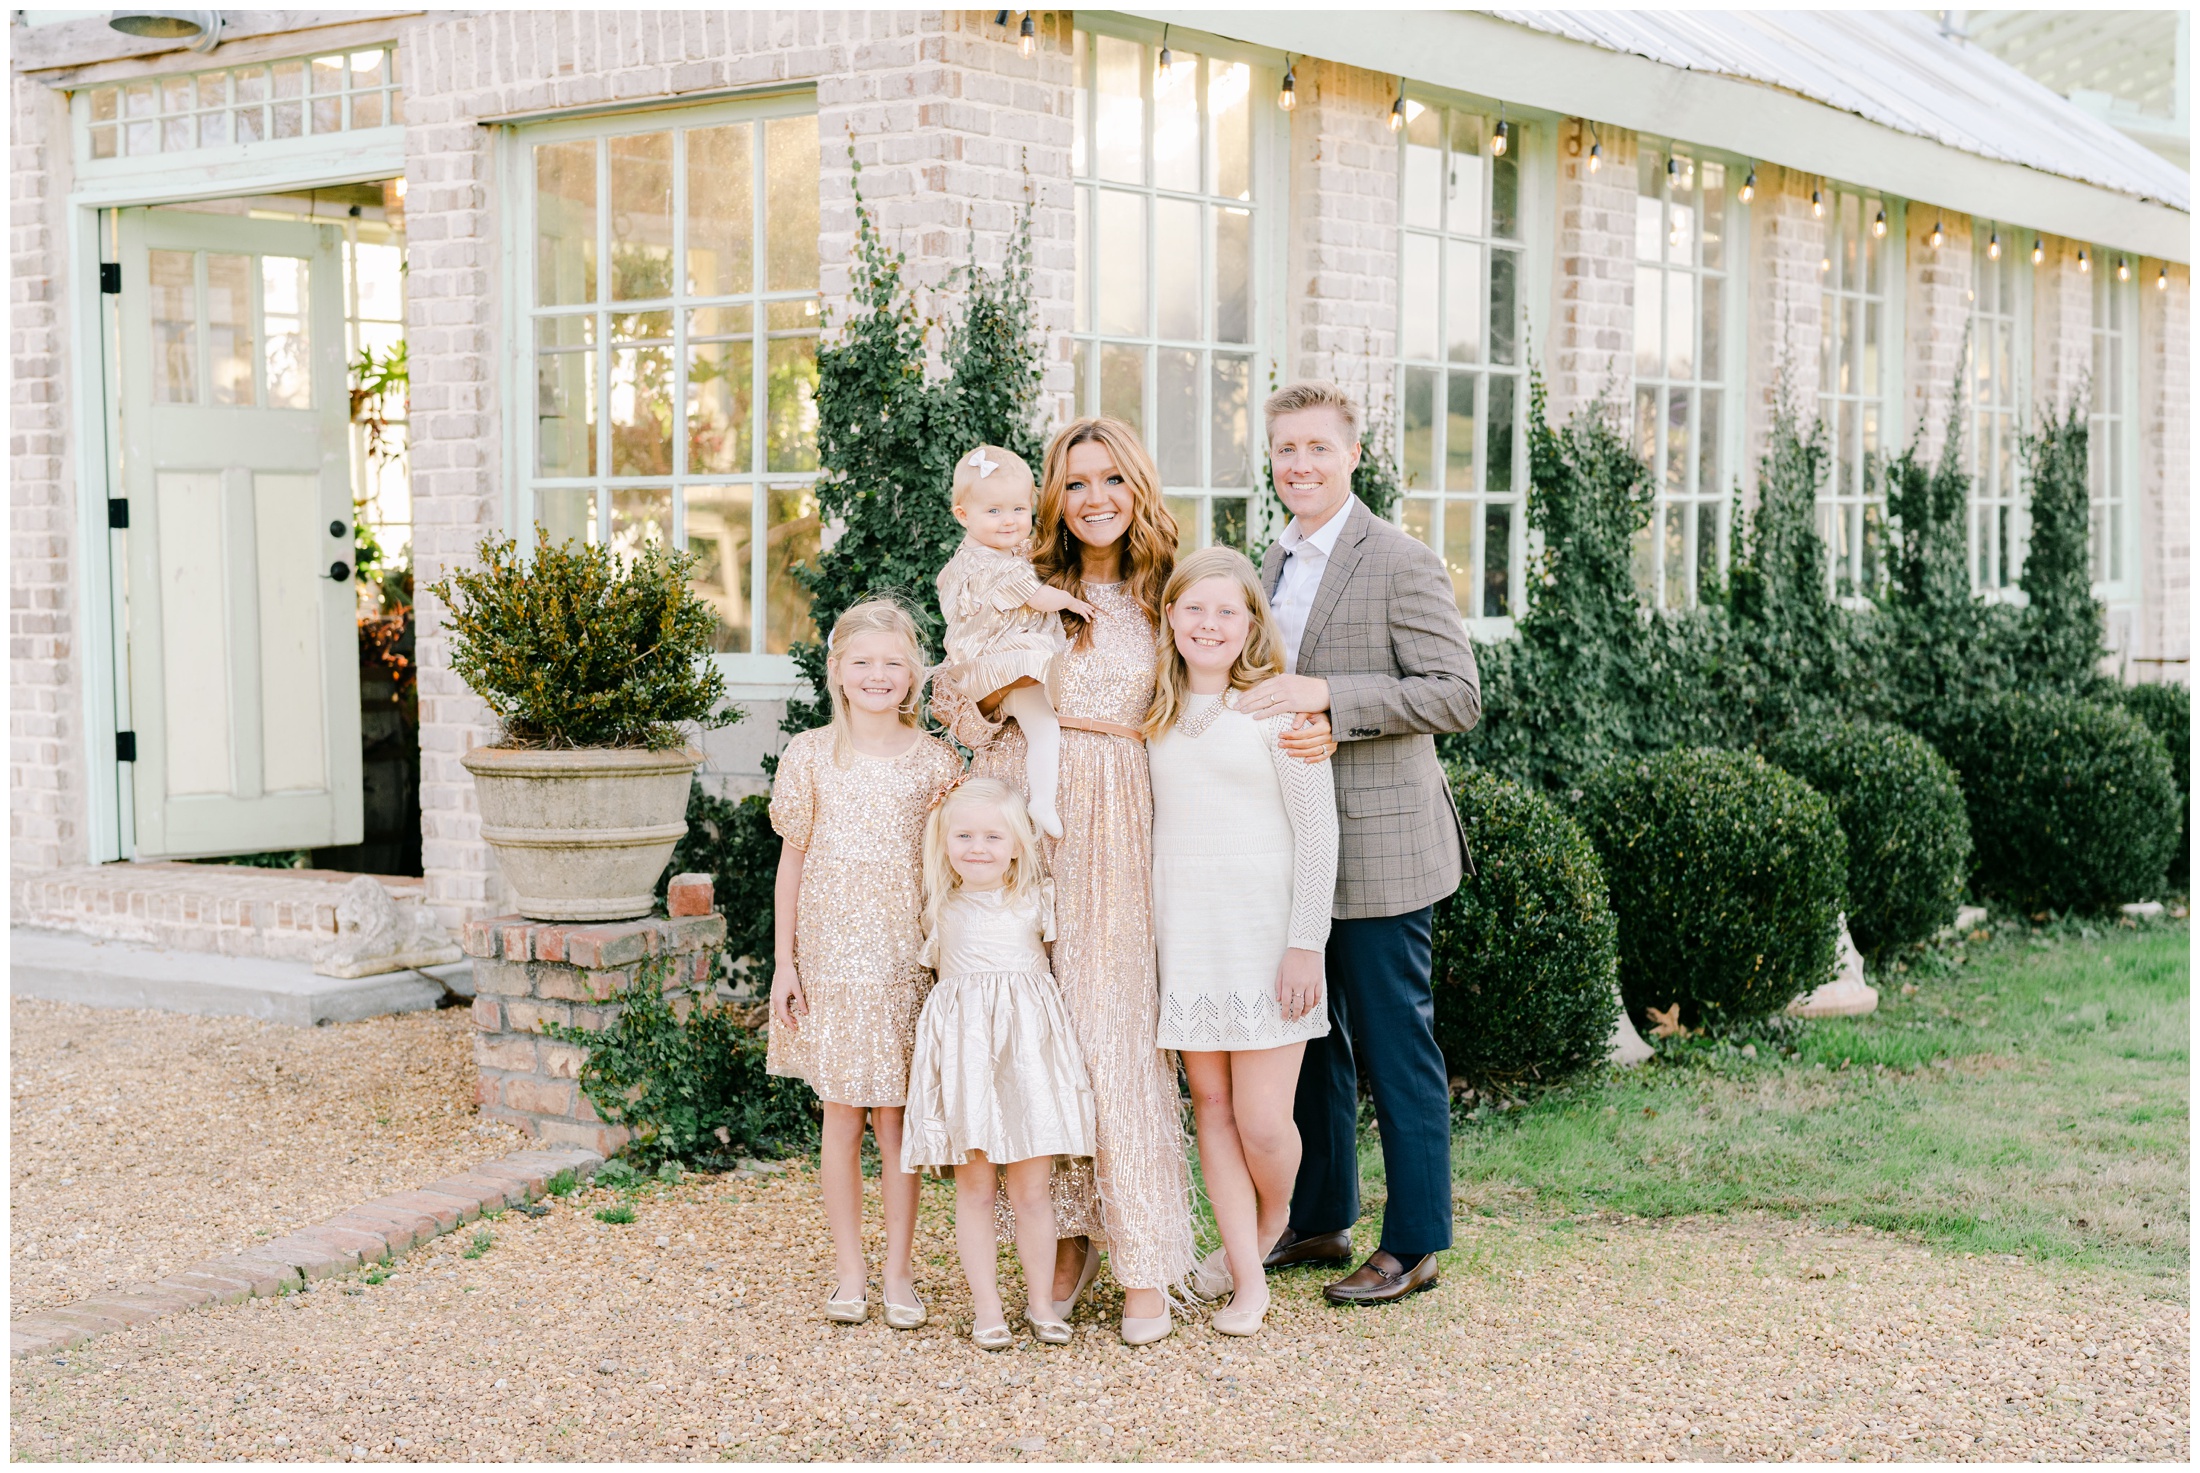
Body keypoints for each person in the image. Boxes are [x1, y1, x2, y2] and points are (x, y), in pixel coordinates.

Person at [936, 418, 1331, 1345]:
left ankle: (1146, 1254)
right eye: (1075, 483)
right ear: (1054, 498)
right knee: (1040, 1034)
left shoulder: (1169, 595)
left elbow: (1236, 682)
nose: (1094, 497)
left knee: (1116, 1035)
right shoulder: (1026, 587)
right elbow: (956, 694)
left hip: (1132, 825)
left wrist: (1315, 717)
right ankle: (1066, 1242)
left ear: (1136, 487)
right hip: (1035, 820)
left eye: (1111, 478)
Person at [1238, 380, 1482, 1306]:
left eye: (1316, 448)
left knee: (1392, 1042)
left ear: (1352, 455)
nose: (1299, 465)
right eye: (1285, 450)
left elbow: (1455, 693)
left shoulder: (1402, 559)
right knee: (1311, 1033)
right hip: (1291, 837)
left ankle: (1415, 1239)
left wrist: (1331, 696)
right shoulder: (1275, 558)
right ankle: (1320, 1216)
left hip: (1381, 842)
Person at [1145, 547, 1339, 1337]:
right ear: (1170, 617)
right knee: (1212, 1108)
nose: (1210, 624)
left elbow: (1318, 832)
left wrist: (1306, 943)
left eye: (1227, 610)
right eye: (1194, 608)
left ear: (1252, 621)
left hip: (1266, 936)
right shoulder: (1152, 713)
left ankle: (1274, 1216)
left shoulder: (1279, 713)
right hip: (1187, 935)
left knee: (1262, 1119)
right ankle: (1248, 1279)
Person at [767, 598, 965, 1331]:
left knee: (897, 1119)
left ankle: (899, 1271)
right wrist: (784, 962)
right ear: (837, 672)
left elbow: (954, 866)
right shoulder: (810, 754)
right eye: (862, 662)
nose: (877, 675)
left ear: (913, 673)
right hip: (830, 959)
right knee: (841, 1113)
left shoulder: (937, 760)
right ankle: (850, 1270)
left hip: (903, 958)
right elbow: (792, 862)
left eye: (892, 662)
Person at [901, 779, 1096, 1350]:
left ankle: (1041, 1303)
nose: (977, 846)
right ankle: (987, 1308)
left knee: (1033, 1189)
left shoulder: (1038, 899)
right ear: (944, 843)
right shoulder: (940, 908)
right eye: (963, 835)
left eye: (993, 835)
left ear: (1018, 844)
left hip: (1028, 1058)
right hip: (967, 1063)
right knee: (976, 1186)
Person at [936, 444, 1094, 839]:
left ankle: (1038, 800)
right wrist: (1072, 601)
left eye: (1019, 510)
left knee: (1038, 722)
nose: (1009, 522)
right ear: (962, 515)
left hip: (982, 665)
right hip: (1009, 663)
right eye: (994, 512)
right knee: (1044, 728)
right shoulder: (996, 566)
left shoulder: (967, 559)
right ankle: (1042, 798)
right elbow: (1039, 598)